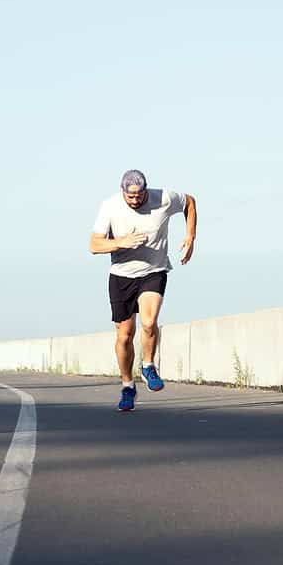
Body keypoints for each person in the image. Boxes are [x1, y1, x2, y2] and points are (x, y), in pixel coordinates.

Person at [89, 169, 197, 411]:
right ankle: (128, 386)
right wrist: (120, 242)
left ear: (147, 189)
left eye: (140, 195)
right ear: (123, 192)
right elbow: (94, 244)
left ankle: (148, 365)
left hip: (153, 271)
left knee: (149, 322)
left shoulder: (164, 198)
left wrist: (190, 235)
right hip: (121, 276)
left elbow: (190, 202)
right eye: (131, 197)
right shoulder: (110, 207)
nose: (136, 201)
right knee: (124, 334)